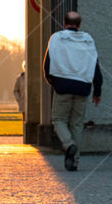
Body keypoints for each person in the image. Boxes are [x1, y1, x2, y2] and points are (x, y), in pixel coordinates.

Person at [43, 11, 103, 171]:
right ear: (79, 24)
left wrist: (53, 82)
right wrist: (97, 90)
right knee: (77, 124)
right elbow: (95, 67)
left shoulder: (57, 39)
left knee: (59, 120)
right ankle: (74, 161)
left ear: (64, 23)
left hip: (62, 84)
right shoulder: (88, 40)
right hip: (83, 86)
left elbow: (47, 65)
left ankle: (69, 145)